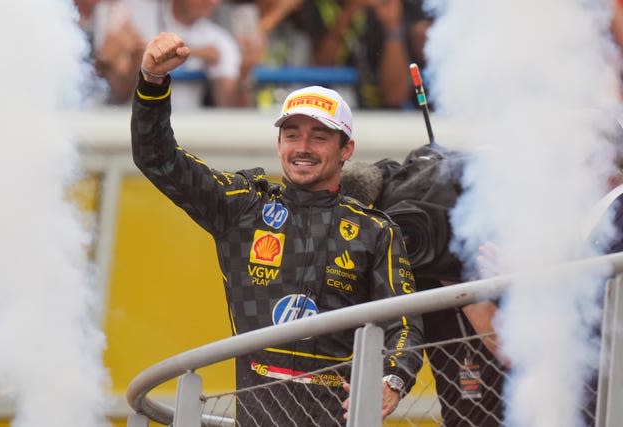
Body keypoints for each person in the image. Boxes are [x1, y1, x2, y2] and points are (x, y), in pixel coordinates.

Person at [130, 32, 424, 426]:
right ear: (279, 142)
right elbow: (157, 158)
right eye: (291, 135)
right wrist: (151, 83)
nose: (303, 147)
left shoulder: (375, 230)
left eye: (319, 137)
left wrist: (392, 378)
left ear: (346, 149)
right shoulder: (242, 207)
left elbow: (404, 324)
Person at [340, 145, 508, 426]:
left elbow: (509, 349)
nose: (419, 232)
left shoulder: (498, 255)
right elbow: (397, 337)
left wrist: (460, 275)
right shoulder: (406, 267)